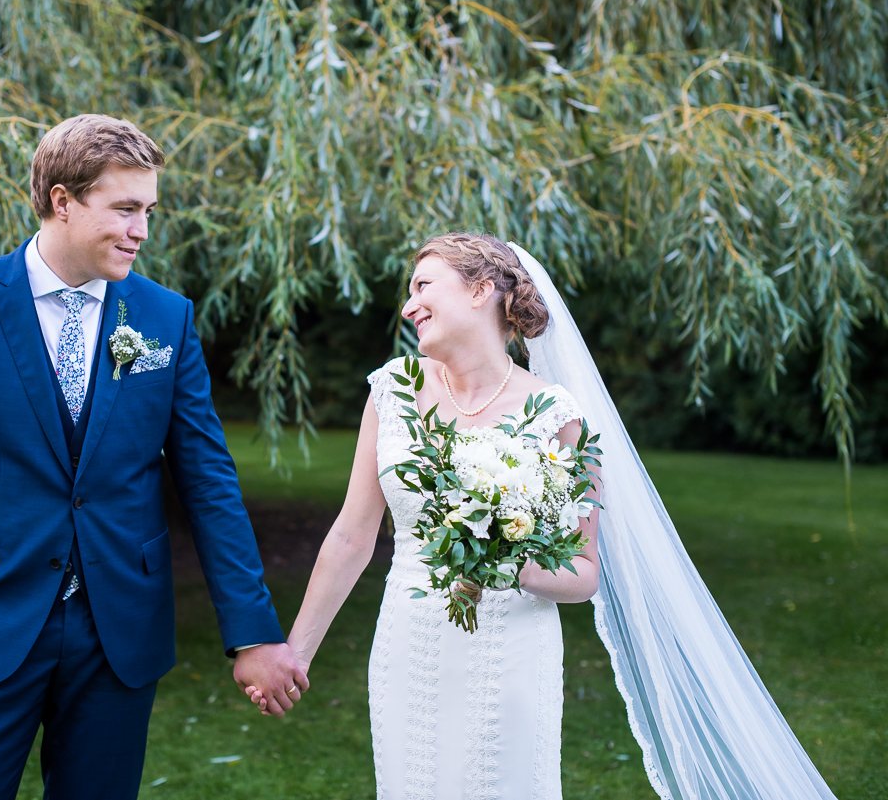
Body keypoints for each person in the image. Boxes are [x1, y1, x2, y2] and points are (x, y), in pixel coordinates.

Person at [251, 231, 841, 800]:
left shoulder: (556, 414)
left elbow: (584, 574)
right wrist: (295, 654)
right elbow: (353, 536)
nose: (409, 306)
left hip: (511, 648)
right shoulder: (392, 391)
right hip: (410, 645)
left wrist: (511, 566)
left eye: (423, 285)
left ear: (481, 290)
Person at [0, 113, 307, 800]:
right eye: (125, 208)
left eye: (149, 210)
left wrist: (252, 631)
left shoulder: (166, 317)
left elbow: (209, 482)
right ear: (63, 201)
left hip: (119, 632)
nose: (141, 230)